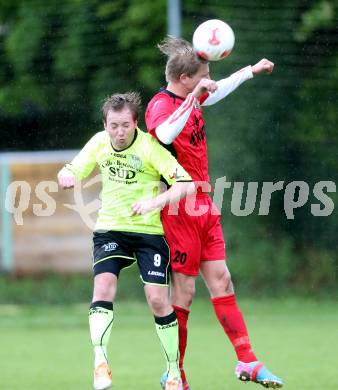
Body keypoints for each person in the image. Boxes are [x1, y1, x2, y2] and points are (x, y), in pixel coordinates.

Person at [145, 37, 284, 389]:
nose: (208, 80)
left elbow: (218, 90)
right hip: (178, 207)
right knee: (185, 294)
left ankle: (248, 361)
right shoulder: (161, 104)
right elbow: (163, 133)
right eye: (203, 75)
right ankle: (174, 373)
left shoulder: (191, 96)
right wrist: (194, 98)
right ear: (184, 78)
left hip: (205, 204)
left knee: (222, 281)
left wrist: (250, 71)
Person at [58, 92, 196, 390]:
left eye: (125, 125)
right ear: (105, 124)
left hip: (148, 232)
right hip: (111, 229)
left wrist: (155, 202)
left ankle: (173, 372)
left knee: (158, 300)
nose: (119, 132)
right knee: (103, 286)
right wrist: (65, 174)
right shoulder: (98, 142)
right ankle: (100, 363)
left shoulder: (149, 147)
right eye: (113, 126)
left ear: (136, 123)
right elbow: (73, 168)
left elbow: (186, 184)